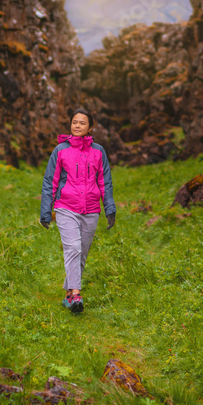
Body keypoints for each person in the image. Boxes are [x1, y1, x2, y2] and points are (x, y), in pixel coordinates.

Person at [39, 108, 116, 314]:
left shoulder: (99, 152)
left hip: (91, 209)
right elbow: (50, 181)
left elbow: (105, 182)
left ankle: (68, 295)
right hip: (66, 207)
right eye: (74, 122)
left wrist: (109, 209)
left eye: (82, 123)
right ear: (70, 125)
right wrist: (46, 210)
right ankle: (75, 294)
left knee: (80, 254)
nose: (77, 126)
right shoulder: (60, 150)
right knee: (73, 248)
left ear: (90, 127)